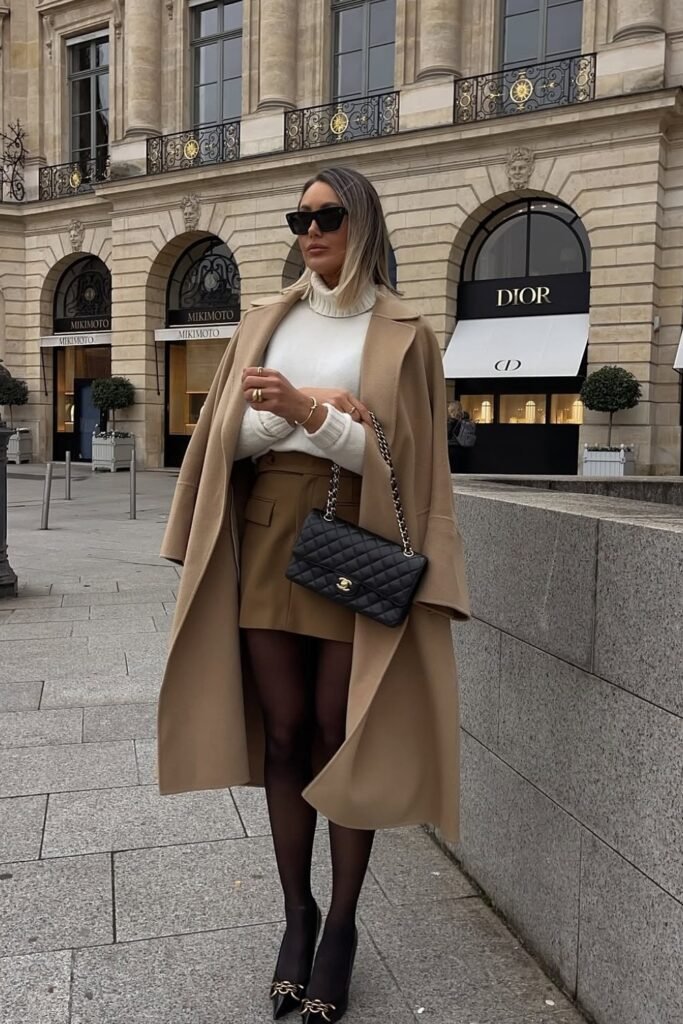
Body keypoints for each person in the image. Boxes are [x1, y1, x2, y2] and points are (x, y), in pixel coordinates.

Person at [157, 166, 470, 1023]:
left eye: (326, 214)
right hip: (262, 539)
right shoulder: (268, 319)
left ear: (361, 219)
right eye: (299, 217)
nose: (310, 230)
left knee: (342, 735)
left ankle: (342, 930)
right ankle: (297, 916)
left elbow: (411, 468)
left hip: (356, 541)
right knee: (285, 732)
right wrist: (296, 413)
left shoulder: (407, 331)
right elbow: (222, 434)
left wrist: (310, 411)